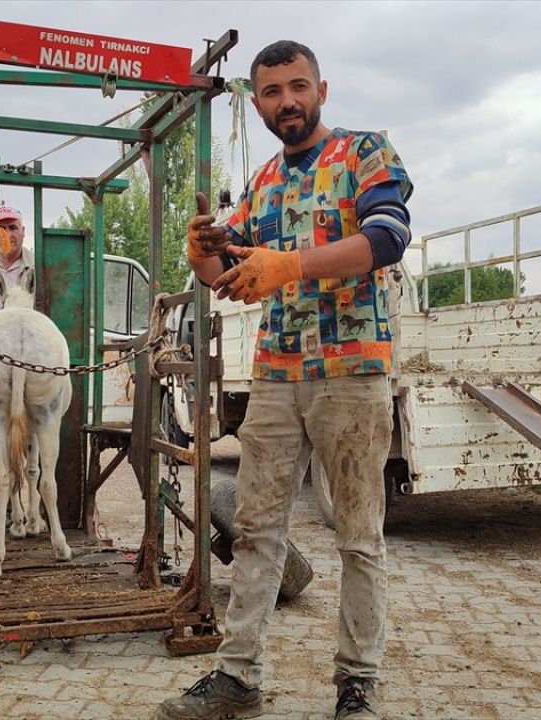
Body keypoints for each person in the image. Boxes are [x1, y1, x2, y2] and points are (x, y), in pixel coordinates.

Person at [157, 40, 412, 720]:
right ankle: (238, 676)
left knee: (359, 534)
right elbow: (232, 276)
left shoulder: (364, 154)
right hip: (275, 376)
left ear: (321, 90)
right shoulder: (265, 180)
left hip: (353, 373)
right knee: (256, 529)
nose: (287, 102)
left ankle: (357, 682)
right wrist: (204, 253)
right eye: (272, 93)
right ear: (259, 101)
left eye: (298, 87)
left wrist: (289, 267)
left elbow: (388, 237)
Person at [0, 205, 34, 311]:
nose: (7, 234)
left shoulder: (37, 265)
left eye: (13, 228)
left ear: (23, 231)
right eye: (1, 228)